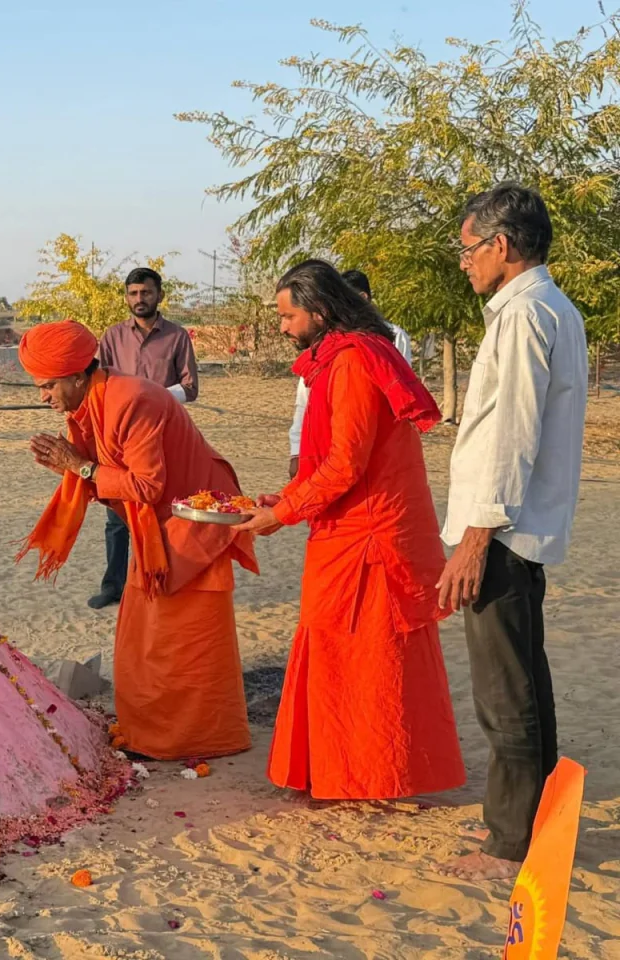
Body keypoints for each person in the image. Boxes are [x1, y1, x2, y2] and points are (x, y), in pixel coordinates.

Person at [237, 260, 466, 800]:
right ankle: (338, 768)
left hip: (370, 534)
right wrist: (286, 499)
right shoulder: (339, 358)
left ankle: (371, 774)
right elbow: (331, 460)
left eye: (288, 317)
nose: (283, 328)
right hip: (351, 525)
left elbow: (345, 464)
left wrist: (284, 514)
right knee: (335, 644)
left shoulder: (354, 361)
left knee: (370, 653)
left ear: (319, 312)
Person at [437, 183, 588, 882]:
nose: (463, 260)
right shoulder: (550, 307)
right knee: (525, 682)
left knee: (505, 693)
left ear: (501, 245)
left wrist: (475, 539)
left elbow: (513, 436)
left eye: (468, 247)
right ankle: (532, 823)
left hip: (501, 531)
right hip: (517, 528)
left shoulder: (526, 313)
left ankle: (509, 844)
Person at [16, 320, 255, 760]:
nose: (43, 397)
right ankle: (151, 732)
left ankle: (198, 738)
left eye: (48, 386)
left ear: (77, 375)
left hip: (195, 522)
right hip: (155, 529)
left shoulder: (131, 400)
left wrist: (81, 467)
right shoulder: (91, 405)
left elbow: (146, 485)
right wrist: (73, 467)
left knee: (181, 642)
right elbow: (107, 478)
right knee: (142, 640)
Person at [89, 268, 199, 609]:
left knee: (164, 512)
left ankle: (160, 583)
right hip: (120, 438)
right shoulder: (112, 337)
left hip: (165, 436)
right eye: (134, 293)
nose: (140, 299)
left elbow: (190, 388)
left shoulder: (177, 336)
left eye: (146, 293)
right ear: (126, 297)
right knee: (117, 517)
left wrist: (153, 400)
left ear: (159, 295)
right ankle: (114, 587)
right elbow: (99, 384)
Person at [287, 270, 412, 478]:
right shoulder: (321, 341)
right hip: (328, 448)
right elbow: (304, 400)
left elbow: (397, 394)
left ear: (362, 297)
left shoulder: (387, 338)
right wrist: (296, 451)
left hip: (373, 450)